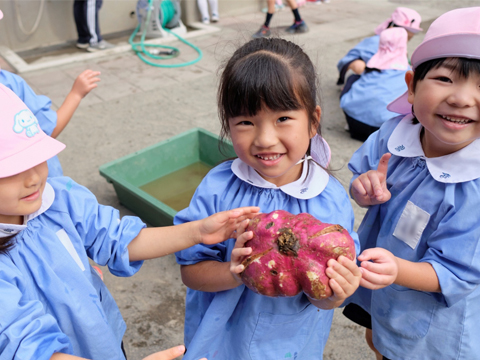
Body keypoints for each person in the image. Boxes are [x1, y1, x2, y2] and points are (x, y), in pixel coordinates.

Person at [0, 83, 259, 359]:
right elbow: (29, 348)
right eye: (12, 169)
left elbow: (120, 239)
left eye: (36, 158)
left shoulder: (59, 200)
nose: (33, 178)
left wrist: (197, 231)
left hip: (102, 340)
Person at [174, 38, 362, 360]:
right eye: (246, 122)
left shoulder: (328, 199)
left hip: (289, 345)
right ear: (227, 125)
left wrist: (336, 294)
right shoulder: (218, 189)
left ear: (313, 121)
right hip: (221, 343)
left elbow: (324, 295)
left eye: (283, 119)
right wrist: (232, 273)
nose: (264, 139)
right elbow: (191, 271)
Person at [344, 7, 480, 360]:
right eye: (445, 79)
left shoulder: (474, 185)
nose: (462, 98)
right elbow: (361, 186)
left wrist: (396, 269)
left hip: (432, 323)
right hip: (383, 288)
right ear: (410, 86)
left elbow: (457, 273)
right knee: (378, 340)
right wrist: (363, 190)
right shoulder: (394, 133)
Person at [0, 68, 100, 177]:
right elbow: (49, 130)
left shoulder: (8, 81)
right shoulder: (8, 82)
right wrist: (76, 94)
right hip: (45, 183)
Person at [340, 27, 409, 141]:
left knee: (352, 78)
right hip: (384, 129)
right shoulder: (407, 71)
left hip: (355, 125)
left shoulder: (373, 64)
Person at [336, 7, 421, 85]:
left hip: (382, 74)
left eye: (409, 38)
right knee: (359, 66)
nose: (405, 41)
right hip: (367, 71)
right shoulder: (375, 42)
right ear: (391, 28)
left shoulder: (397, 45)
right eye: (405, 37)